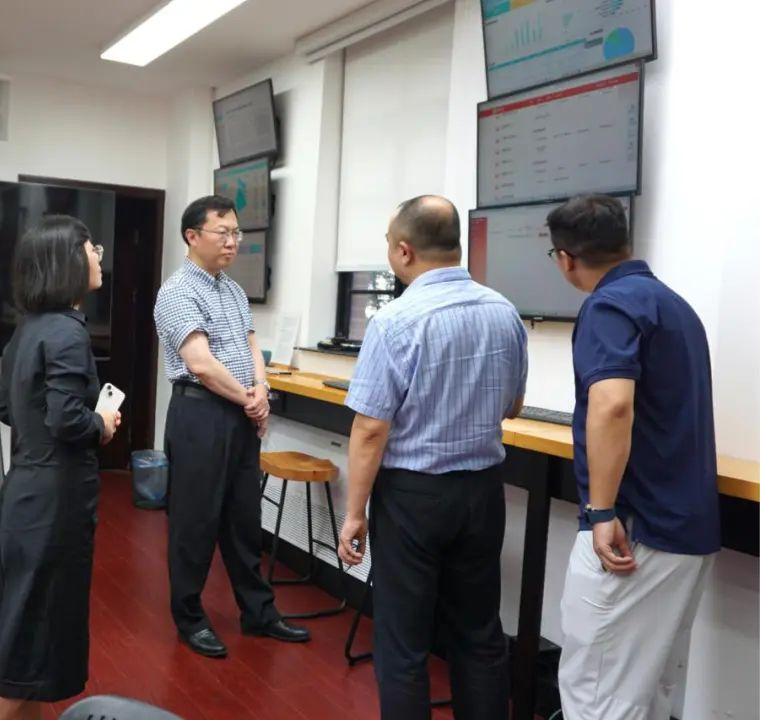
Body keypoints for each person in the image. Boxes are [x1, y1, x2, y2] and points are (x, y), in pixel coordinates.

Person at [338, 195, 528, 720]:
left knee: (403, 644)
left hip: (413, 496)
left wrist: (354, 513)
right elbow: (512, 406)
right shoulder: (504, 311)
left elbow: (371, 428)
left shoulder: (395, 321)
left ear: (404, 251)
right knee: (480, 636)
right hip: (483, 492)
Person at [546, 195, 719, 720]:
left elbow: (613, 403)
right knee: (649, 690)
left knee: (597, 693)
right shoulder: (674, 306)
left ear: (565, 259)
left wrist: (601, 512)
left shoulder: (609, 306)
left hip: (634, 532)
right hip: (684, 529)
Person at [153, 195, 310, 659]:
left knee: (244, 520)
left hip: (239, 413)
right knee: (195, 522)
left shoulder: (234, 291)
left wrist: (261, 390)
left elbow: (252, 347)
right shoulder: (177, 291)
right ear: (192, 236)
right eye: (223, 233)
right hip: (199, 415)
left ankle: (258, 613)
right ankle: (189, 618)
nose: (233, 241)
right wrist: (250, 400)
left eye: (236, 233)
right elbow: (200, 364)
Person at [0, 216, 120, 720]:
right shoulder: (66, 332)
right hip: (55, 499)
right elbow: (67, 420)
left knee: (26, 624)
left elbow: (6, 409)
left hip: (26, 489)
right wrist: (102, 423)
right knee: (28, 637)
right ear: (66, 262)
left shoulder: (28, 329)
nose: (98, 255)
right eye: (90, 247)